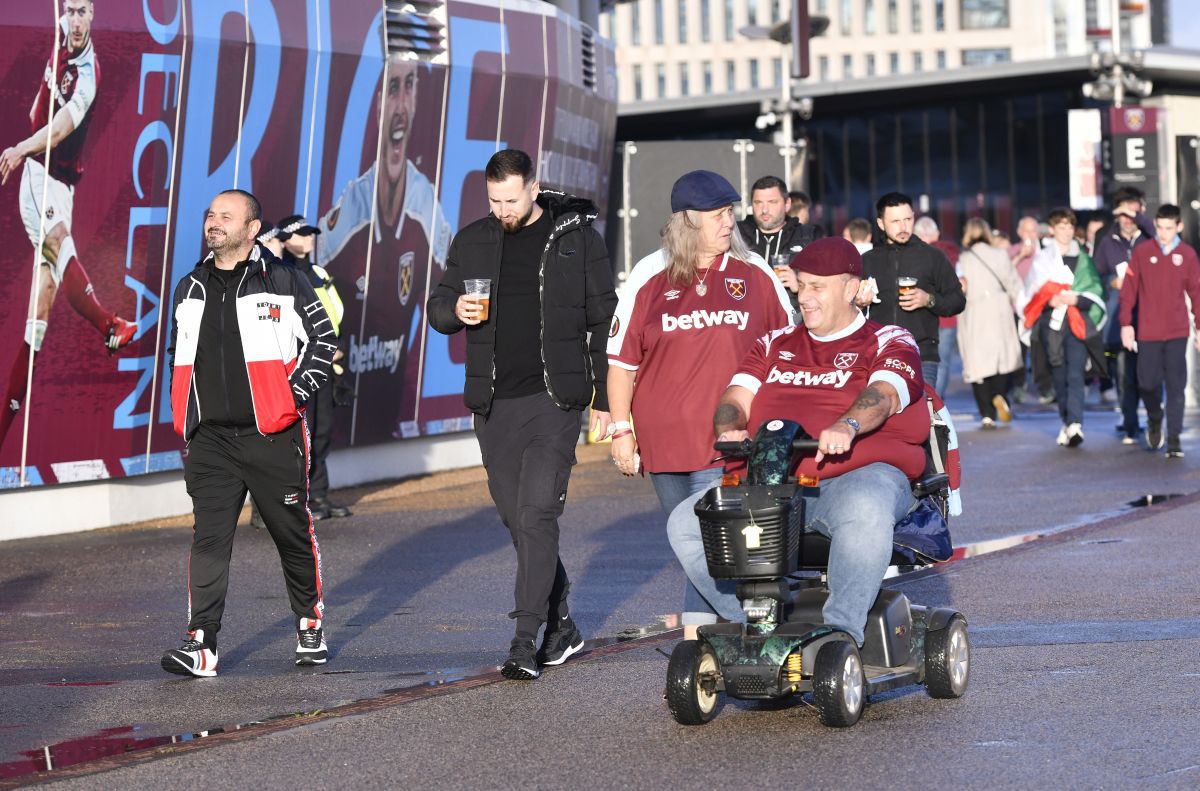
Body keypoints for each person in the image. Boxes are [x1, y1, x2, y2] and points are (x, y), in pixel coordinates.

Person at [665, 237, 928, 646]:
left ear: (852, 288)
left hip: (855, 477)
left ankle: (840, 636)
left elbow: (884, 393)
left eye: (816, 287)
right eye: (801, 285)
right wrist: (729, 427)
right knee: (684, 522)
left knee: (866, 506)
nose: (804, 297)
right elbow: (735, 398)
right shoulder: (775, 343)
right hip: (773, 483)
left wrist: (848, 425)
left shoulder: (890, 339)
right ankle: (760, 625)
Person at [426, 149, 616, 680]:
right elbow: (438, 306)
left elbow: (606, 321)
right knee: (518, 521)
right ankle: (563, 624)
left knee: (537, 517)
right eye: (494, 200)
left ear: (534, 188)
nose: (503, 210)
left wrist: (605, 399)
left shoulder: (577, 239)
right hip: (492, 405)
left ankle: (524, 639)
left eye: (511, 199)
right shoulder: (472, 240)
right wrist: (454, 311)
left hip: (554, 401)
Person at [607, 170, 792, 635]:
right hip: (664, 440)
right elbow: (621, 364)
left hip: (727, 440)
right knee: (687, 542)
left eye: (730, 212)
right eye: (717, 215)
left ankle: (701, 641)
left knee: (710, 540)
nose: (729, 222)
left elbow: (788, 347)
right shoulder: (649, 274)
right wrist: (621, 431)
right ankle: (717, 637)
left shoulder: (756, 273)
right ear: (688, 222)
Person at [162, 190, 336, 677]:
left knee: (290, 534)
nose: (213, 222)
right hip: (211, 440)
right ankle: (202, 643)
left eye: (226, 216)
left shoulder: (285, 279)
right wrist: (188, 416)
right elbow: (179, 352)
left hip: (271, 435)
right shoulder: (189, 286)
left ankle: (309, 620)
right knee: (209, 539)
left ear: (252, 228)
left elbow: (323, 341)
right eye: (210, 214)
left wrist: (289, 398)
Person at [0, 0, 136, 451]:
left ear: (94, 13)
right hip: (40, 179)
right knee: (61, 248)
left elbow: (58, 129)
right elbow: (44, 119)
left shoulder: (89, 74)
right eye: (69, 11)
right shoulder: (59, 42)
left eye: (82, 12)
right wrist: (27, 149)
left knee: (36, 326)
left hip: (61, 186)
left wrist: (20, 144)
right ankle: (109, 325)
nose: (74, 20)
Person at [318, 55, 451, 443]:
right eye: (393, 89)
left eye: (410, 86)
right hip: (341, 417)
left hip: (389, 420)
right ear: (376, 105)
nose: (402, 105)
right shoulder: (352, 210)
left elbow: (449, 298)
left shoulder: (424, 202)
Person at [278, 215, 352, 520]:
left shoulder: (319, 273)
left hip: (325, 365)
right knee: (299, 436)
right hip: (299, 365)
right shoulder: (282, 273)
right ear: (284, 240)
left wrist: (338, 346)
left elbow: (334, 317)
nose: (309, 237)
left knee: (321, 432)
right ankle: (298, 499)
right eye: (302, 233)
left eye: (311, 233)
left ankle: (319, 495)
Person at [859, 192, 966, 387]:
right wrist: (858, 303)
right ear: (881, 224)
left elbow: (958, 300)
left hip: (922, 355)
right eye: (895, 221)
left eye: (908, 219)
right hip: (880, 354)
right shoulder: (867, 260)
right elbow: (845, 307)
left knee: (924, 414)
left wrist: (929, 300)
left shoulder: (932, 256)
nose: (903, 227)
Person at [1119, 204, 1200, 458]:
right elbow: (1129, 290)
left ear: (1179, 227)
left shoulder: (1187, 255)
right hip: (1148, 332)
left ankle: (1174, 440)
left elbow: (1197, 293)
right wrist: (1125, 324)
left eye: (1169, 228)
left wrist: (1199, 327)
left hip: (1177, 331)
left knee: (1176, 386)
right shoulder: (1143, 252)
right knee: (1147, 384)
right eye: (1160, 227)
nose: (1163, 233)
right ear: (1154, 225)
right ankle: (1155, 419)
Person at [1022, 207, 1106, 448]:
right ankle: (1066, 420)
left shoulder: (1083, 259)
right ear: (1052, 229)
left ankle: (1076, 423)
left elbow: (1095, 289)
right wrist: (1049, 300)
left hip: (1077, 323)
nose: (1067, 231)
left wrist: (1077, 299)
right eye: (1062, 227)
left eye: (1070, 226)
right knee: (1058, 375)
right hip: (1051, 325)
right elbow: (1031, 292)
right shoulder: (1043, 259)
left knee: (1075, 372)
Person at [1094, 187, 1156, 444]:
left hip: (1151, 318)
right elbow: (1095, 276)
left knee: (1150, 375)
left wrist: (1138, 216)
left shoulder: (1150, 238)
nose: (1128, 219)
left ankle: (1155, 420)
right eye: (1124, 213)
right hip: (1120, 318)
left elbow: (1161, 239)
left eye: (1133, 213)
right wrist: (1111, 282)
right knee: (1123, 374)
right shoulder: (1107, 241)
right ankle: (1131, 424)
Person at [956, 219, 1024, 428]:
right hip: (999, 308)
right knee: (1001, 358)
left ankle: (986, 413)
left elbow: (960, 285)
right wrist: (1020, 307)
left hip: (975, 310)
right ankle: (999, 395)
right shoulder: (1000, 254)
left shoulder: (964, 258)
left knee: (978, 362)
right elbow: (1014, 283)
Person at [736, 176, 823, 310]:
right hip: (745, 316)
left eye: (772, 202)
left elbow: (825, 284)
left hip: (792, 319)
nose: (764, 209)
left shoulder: (808, 236)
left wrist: (799, 285)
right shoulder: (735, 234)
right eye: (758, 202)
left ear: (787, 204)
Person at [914, 216, 961, 398]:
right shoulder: (952, 253)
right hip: (947, 318)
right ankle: (936, 404)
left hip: (919, 317)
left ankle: (922, 404)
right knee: (942, 364)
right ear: (937, 234)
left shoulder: (912, 254)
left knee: (919, 363)